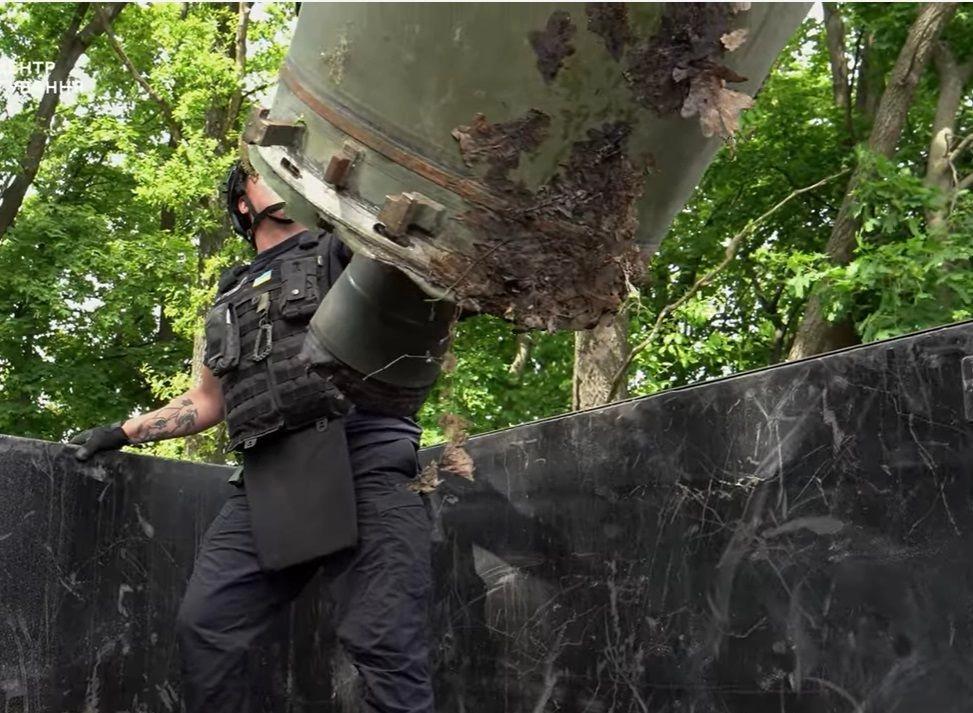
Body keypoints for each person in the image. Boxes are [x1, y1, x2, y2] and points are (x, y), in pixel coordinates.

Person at [69, 158, 435, 713]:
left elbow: (419, 276)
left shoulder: (348, 251)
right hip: (269, 474)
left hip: (363, 453)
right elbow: (206, 400)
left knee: (384, 640)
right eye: (267, 172)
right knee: (206, 625)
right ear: (243, 202)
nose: (288, 177)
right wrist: (120, 432)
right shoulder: (230, 295)